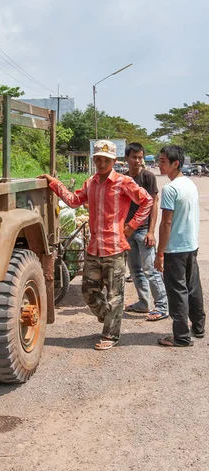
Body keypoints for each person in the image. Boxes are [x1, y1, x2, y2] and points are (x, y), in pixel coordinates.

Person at [39, 139, 153, 350]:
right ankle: (108, 316)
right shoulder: (91, 182)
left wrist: (133, 225)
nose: (101, 163)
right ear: (94, 160)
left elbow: (147, 200)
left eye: (105, 160)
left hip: (115, 247)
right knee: (88, 291)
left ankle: (110, 335)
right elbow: (74, 201)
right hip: (94, 248)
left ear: (114, 161)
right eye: (98, 159)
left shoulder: (123, 182)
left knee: (115, 295)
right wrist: (54, 183)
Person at [154, 145, 205, 347]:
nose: (159, 164)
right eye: (159, 160)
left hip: (175, 249)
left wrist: (160, 253)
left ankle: (181, 337)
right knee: (193, 288)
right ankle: (198, 328)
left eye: (163, 161)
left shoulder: (170, 188)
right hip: (191, 245)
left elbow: (166, 223)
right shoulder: (189, 184)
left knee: (177, 292)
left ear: (176, 164)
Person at [124, 143, 168, 321]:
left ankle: (162, 306)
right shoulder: (122, 178)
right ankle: (144, 303)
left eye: (140, 157)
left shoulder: (148, 177)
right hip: (127, 231)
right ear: (126, 158)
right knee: (135, 270)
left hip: (143, 231)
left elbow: (154, 204)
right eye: (134, 157)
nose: (137, 161)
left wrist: (151, 231)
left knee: (150, 269)